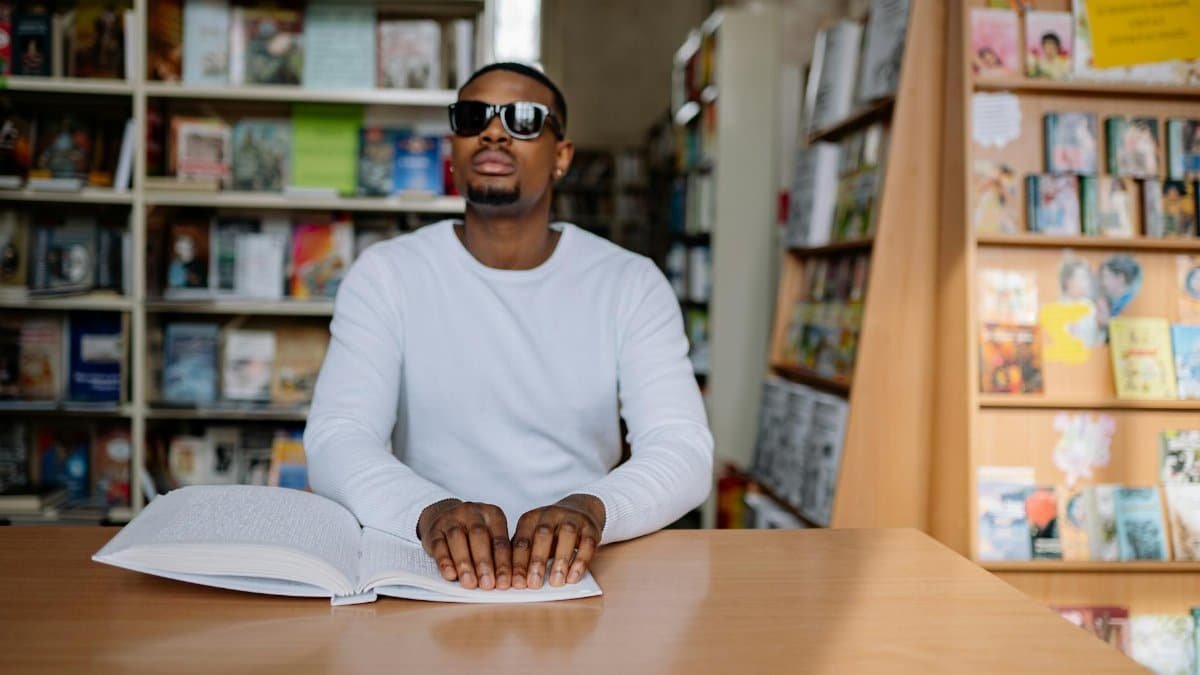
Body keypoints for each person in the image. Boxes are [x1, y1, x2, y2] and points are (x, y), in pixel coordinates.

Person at [305, 63, 713, 592]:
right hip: (422, 569)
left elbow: (681, 447)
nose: (494, 132)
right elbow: (338, 437)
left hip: (583, 571)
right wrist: (427, 511)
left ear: (562, 156)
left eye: (523, 120)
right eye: (473, 117)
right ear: (452, 149)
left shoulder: (629, 283)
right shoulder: (387, 274)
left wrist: (592, 510)